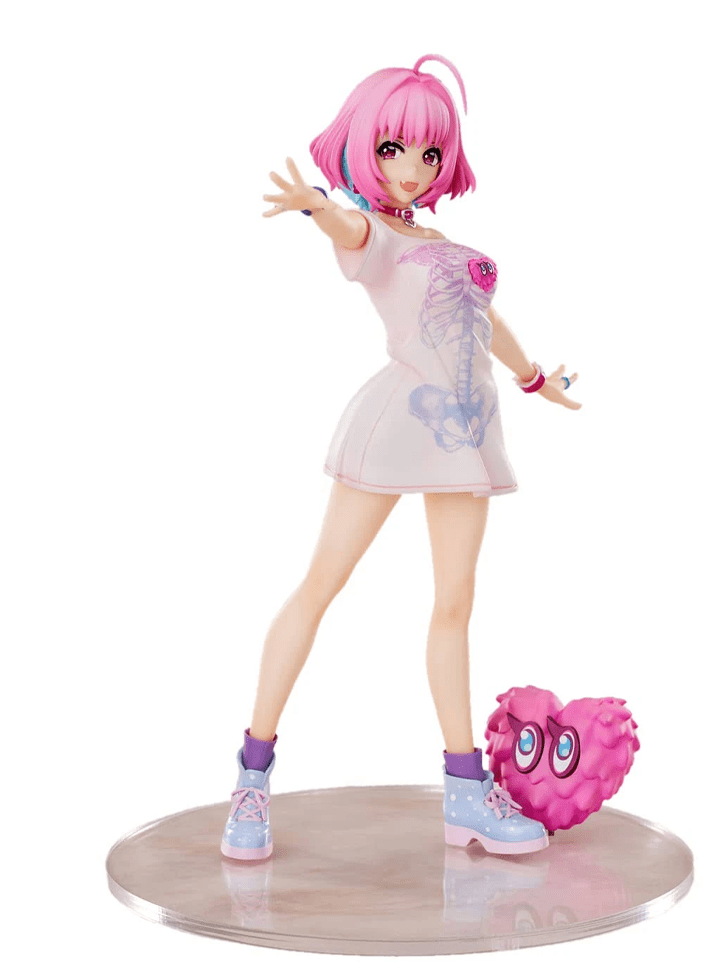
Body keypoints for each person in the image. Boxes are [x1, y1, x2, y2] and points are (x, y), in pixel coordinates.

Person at [221, 55, 581, 861]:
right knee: (321, 585)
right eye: (391, 149)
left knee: (455, 602)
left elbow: (485, 321)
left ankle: (465, 792)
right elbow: (351, 231)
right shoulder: (373, 233)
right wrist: (320, 208)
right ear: (363, 149)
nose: (412, 167)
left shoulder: (440, 240)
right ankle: (251, 776)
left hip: (467, 428)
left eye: (427, 151)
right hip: (400, 423)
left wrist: (535, 379)